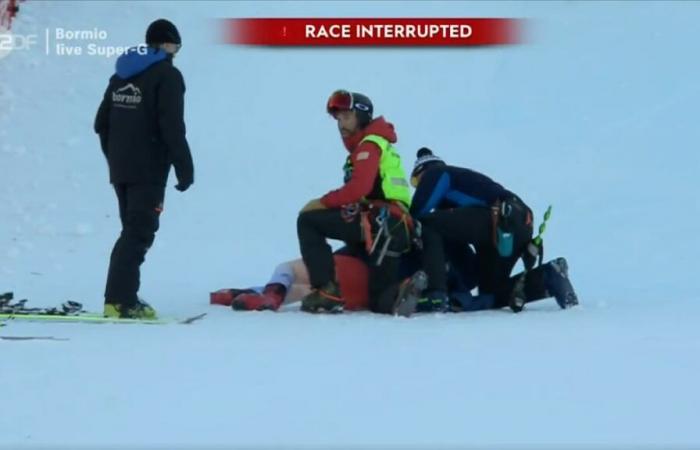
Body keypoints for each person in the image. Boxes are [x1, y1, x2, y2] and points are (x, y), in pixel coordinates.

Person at [93, 19, 194, 319]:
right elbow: (171, 127)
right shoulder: (168, 76)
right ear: (166, 45)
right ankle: (121, 302)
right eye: (176, 45)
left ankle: (121, 298)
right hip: (148, 170)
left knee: (131, 231)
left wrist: (115, 157)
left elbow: (101, 123)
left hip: (121, 168)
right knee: (139, 233)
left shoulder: (121, 75)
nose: (176, 52)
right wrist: (184, 168)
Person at [409, 147, 578, 313]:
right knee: (491, 294)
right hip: (517, 222)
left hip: (498, 217)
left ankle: (436, 295)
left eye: (416, 182)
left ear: (422, 171)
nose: (417, 187)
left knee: (428, 224)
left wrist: (407, 225)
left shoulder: (436, 173)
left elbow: (418, 212)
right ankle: (549, 276)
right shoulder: (457, 192)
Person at [295, 90, 416, 314]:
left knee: (308, 221)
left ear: (362, 116)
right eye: (338, 119)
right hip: (392, 228)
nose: (341, 124)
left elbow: (358, 188)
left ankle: (327, 291)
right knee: (380, 301)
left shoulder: (369, 145)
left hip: (381, 223)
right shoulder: (377, 144)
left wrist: (321, 202)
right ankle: (408, 290)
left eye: (346, 116)